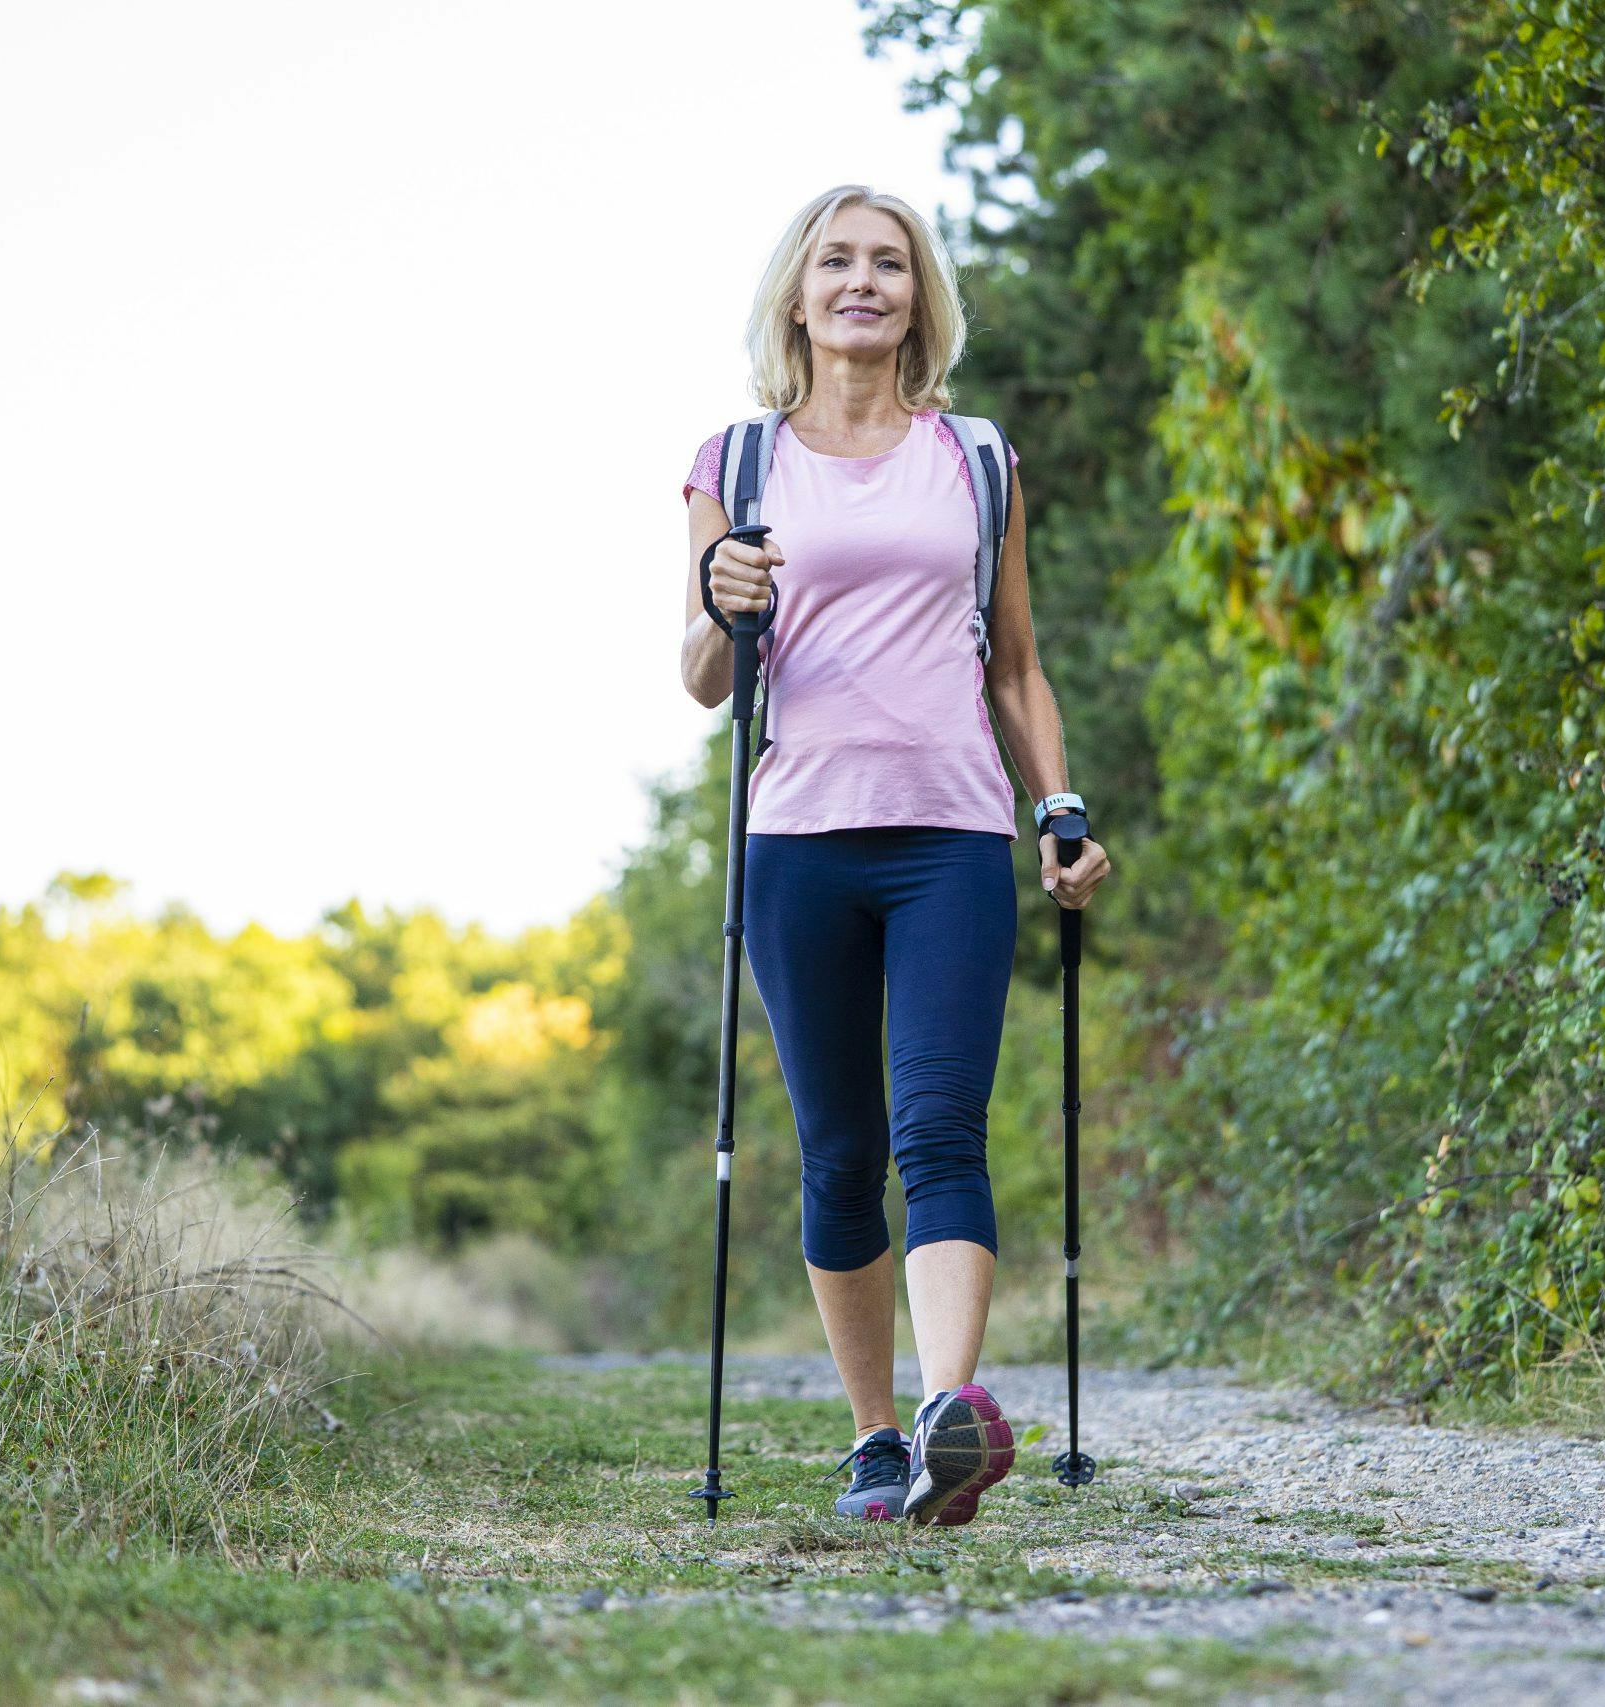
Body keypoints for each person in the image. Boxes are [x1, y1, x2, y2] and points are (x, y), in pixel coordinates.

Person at [678, 184, 1112, 1527]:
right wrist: (719, 601)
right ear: (796, 296)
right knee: (839, 1150)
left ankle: (946, 1417)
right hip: (800, 841)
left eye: (890, 263)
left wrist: (1061, 813)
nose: (864, 281)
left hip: (950, 835)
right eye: (837, 262)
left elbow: (1021, 667)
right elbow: (703, 680)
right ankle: (876, 1436)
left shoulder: (975, 459)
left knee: (941, 1129)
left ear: (920, 298)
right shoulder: (736, 465)